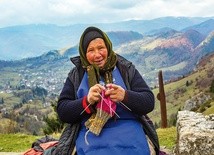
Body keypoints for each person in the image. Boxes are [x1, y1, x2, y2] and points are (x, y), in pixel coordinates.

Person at [57, 26, 156, 155]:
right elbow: (63, 111)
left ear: (108, 48)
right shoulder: (77, 74)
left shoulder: (125, 69)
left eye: (101, 48)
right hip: (91, 134)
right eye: (91, 50)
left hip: (128, 132)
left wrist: (125, 96)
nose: (97, 54)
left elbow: (148, 101)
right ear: (84, 53)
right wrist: (87, 101)